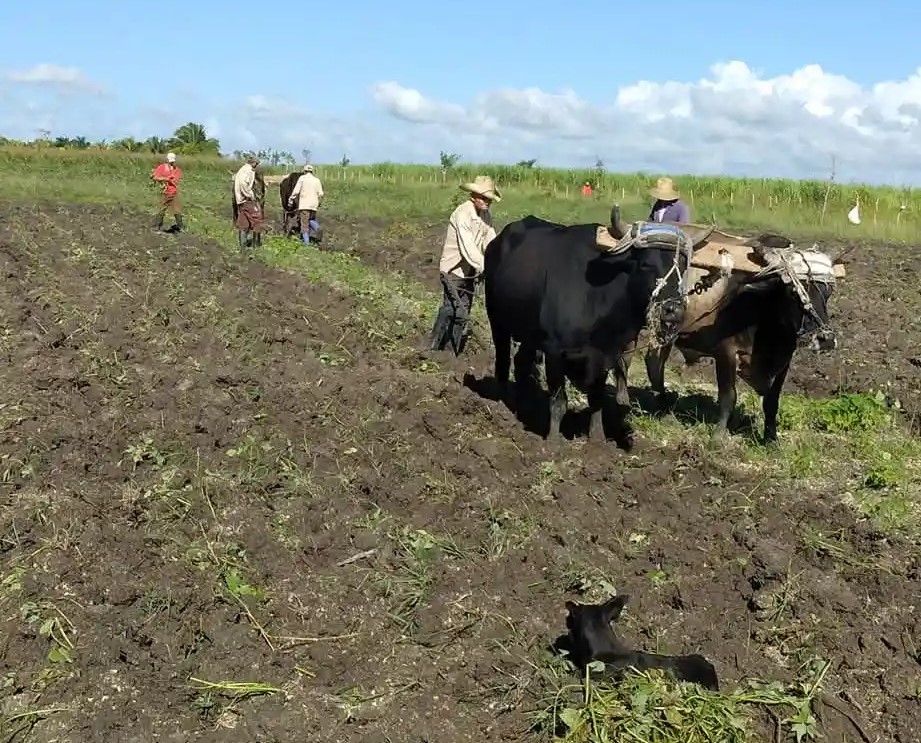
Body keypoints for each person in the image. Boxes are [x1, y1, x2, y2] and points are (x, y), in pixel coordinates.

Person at [429, 175, 501, 355]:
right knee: (453, 309)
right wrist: (488, 267)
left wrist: (500, 260)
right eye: (484, 198)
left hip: (470, 272)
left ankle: (453, 352)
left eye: (489, 199)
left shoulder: (485, 216)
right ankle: (431, 347)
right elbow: (467, 247)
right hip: (453, 270)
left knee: (464, 309)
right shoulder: (462, 214)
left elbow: (491, 242)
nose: (487, 202)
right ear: (473, 196)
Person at [287, 164, 324, 245]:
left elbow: (296, 191)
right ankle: (318, 228)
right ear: (312, 171)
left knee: (304, 225)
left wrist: (291, 199)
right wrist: (318, 203)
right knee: (311, 220)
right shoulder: (317, 180)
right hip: (314, 205)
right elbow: (321, 194)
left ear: (304, 171)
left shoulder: (302, 179)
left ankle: (306, 244)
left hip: (304, 205)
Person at [232, 155, 264, 250]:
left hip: (241, 201)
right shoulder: (248, 171)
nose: (257, 166)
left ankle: (242, 248)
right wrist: (250, 195)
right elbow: (243, 183)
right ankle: (256, 245)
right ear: (254, 163)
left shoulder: (242, 169)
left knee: (244, 224)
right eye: (257, 164)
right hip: (247, 200)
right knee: (257, 219)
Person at [151, 152, 183, 233]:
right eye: (170, 161)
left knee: (177, 210)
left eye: (173, 161)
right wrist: (166, 179)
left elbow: (176, 180)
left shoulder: (177, 170)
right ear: (167, 160)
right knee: (162, 209)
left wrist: (170, 180)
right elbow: (155, 177)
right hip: (165, 192)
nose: (171, 162)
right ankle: (157, 226)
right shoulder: (162, 167)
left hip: (174, 192)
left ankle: (180, 227)